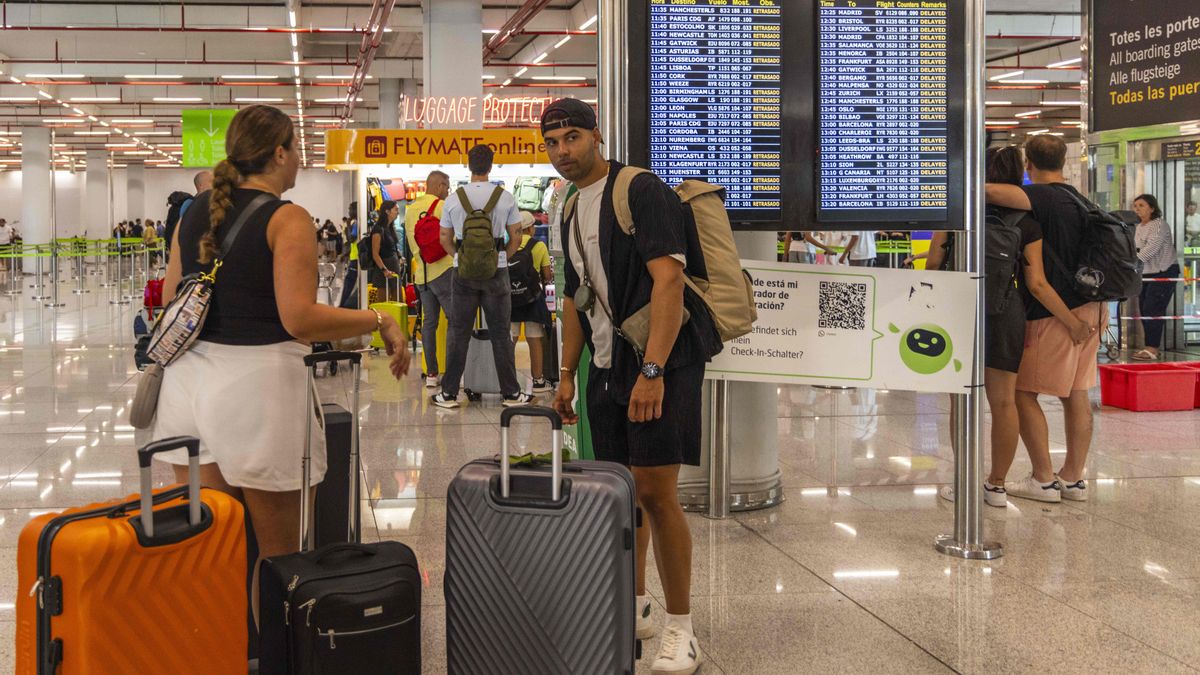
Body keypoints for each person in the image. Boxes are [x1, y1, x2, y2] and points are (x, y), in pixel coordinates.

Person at [153, 105, 410, 622]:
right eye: (298, 149)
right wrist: (377, 318)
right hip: (260, 395)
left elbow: (167, 296)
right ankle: (274, 656)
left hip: (187, 389)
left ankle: (216, 656)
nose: (301, 160)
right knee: (279, 559)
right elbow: (299, 318)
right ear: (278, 153)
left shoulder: (194, 212)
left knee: (208, 552)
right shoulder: (287, 217)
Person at [544, 98, 720, 675]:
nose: (562, 151)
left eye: (572, 137)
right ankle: (635, 605)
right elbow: (574, 298)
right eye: (552, 142)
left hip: (658, 362)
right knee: (620, 492)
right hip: (605, 364)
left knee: (656, 492)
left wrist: (653, 371)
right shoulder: (568, 207)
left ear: (597, 134)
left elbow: (668, 283)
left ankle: (682, 627)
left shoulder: (642, 190)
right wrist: (566, 374)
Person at [937, 146, 1093, 508]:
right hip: (1012, 313)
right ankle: (998, 485)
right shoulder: (1030, 219)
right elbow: (1034, 279)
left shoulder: (959, 214)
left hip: (961, 308)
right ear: (1018, 171)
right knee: (1007, 400)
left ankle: (971, 481)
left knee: (963, 399)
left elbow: (933, 263)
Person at [986, 134, 1105, 503]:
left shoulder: (1037, 197)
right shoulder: (1080, 198)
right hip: (1095, 305)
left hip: (1056, 311)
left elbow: (986, 191)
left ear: (1029, 166)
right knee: (1077, 392)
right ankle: (1072, 477)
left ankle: (1042, 478)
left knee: (1022, 392)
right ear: (1065, 160)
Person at [431, 144, 533, 409]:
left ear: (468, 165)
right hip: (497, 271)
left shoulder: (454, 199)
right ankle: (511, 393)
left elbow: (444, 237)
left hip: (463, 273)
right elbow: (517, 235)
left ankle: (450, 393)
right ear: (491, 165)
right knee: (501, 333)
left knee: (458, 332)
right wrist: (503, 257)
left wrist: (459, 255)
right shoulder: (505, 197)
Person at [405, 170, 453, 389]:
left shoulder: (410, 210)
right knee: (456, 321)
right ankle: (454, 372)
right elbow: (451, 238)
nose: (448, 191)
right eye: (447, 187)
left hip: (421, 275)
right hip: (443, 271)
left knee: (429, 324)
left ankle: (431, 374)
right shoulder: (442, 207)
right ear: (441, 186)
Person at [508, 210, 554, 393]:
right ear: (529, 228)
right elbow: (547, 275)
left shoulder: (507, 245)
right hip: (532, 299)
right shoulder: (539, 246)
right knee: (534, 339)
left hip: (510, 299)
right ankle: (538, 381)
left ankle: (509, 381)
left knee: (509, 340)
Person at [1130, 193, 1180, 361]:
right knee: (1144, 309)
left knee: (1153, 309)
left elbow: (1150, 249)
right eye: (1135, 206)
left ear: (1152, 208)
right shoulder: (1138, 227)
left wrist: (1132, 264)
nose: (1137, 209)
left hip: (1163, 272)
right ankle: (1148, 347)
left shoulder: (1159, 225)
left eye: (1141, 205)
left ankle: (1152, 348)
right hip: (1145, 273)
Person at [367, 201, 403, 300]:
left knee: (398, 300)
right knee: (383, 301)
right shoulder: (378, 229)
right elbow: (375, 254)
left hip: (394, 268)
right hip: (383, 270)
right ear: (387, 211)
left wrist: (399, 257)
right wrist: (384, 270)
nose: (398, 212)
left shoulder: (390, 228)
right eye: (396, 210)